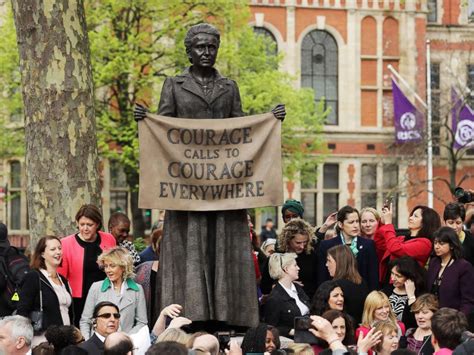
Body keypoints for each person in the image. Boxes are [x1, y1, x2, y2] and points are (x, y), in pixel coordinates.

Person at [134, 23, 285, 328]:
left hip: (224, 190)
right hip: (186, 189)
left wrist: (268, 120)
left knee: (224, 246)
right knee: (190, 246)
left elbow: (242, 130)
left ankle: (229, 314)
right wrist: (147, 120)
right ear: (189, 51)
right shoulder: (174, 86)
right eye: (200, 47)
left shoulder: (229, 87)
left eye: (211, 47)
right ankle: (189, 314)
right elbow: (164, 127)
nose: (206, 52)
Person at [58, 204, 116, 326]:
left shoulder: (109, 239)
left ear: (97, 225)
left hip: (105, 296)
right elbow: (61, 278)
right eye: (82, 224)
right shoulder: (66, 244)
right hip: (78, 300)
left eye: (89, 225)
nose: (85, 228)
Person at [80, 247, 147, 339]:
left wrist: (126, 338)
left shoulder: (137, 290)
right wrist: (88, 343)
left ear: (123, 267)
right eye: (106, 266)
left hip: (124, 344)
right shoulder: (96, 287)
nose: (108, 270)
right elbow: (85, 321)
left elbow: (142, 323)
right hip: (98, 345)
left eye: (112, 266)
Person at [17, 236, 73, 344]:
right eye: (53, 249)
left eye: (60, 248)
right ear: (42, 254)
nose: (58, 252)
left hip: (65, 340)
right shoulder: (33, 277)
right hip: (42, 341)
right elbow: (22, 311)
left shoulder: (64, 280)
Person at [317, 205, 379, 291]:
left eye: (357, 221)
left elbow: (373, 277)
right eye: (351, 222)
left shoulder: (368, 245)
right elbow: (322, 277)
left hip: (361, 297)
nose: (356, 226)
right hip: (335, 296)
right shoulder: (327, 245)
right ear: (340, 224)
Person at [375, 204, 441, 285]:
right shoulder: (401, 239)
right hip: (388, 282)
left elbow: (395, 248)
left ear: (425, 222)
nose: (410, 218)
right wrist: (382, 222)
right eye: (411, 215)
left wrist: (388, 224)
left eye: (415, 216)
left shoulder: (425, 243)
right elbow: (380, 244)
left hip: (405, 289)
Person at [261, 218, 318, 299]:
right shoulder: (276, 257)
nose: (302, 246)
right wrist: (286, 284)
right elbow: (264, 288)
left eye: (305, 242)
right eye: (298, 242)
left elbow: (317, 283)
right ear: (287, 240)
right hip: (282, 305)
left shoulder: (312, 255)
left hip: (307, 302)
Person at [426, 227, 474, 315]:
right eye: (435, 243)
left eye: (441, 243)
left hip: (452, 319)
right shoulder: (434, 262)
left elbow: (467, 300)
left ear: (451, 245)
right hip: (432, 315)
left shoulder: (464, 267)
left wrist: (459, 319)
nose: (436, 246)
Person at [263, 253, 310, 337]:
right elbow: (271, 327)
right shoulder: (274, 298)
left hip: (308, 336)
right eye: (295, 265)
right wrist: (291, 331)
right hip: (292, 342)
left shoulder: (298, 288)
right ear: (286, 269)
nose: (298, 268)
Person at [325, 244, 369, 325]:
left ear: (339, 262)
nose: (326, 264)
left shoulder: (335, 286)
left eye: (329, 260)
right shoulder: (362, 283)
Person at [384, 256, 427, 329]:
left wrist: (411, 296)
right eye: (392, 273)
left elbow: (413, 322)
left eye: (398, 276)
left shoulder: (419, 295)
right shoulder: (387, 290)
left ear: (409, 277)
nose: (393, 278)